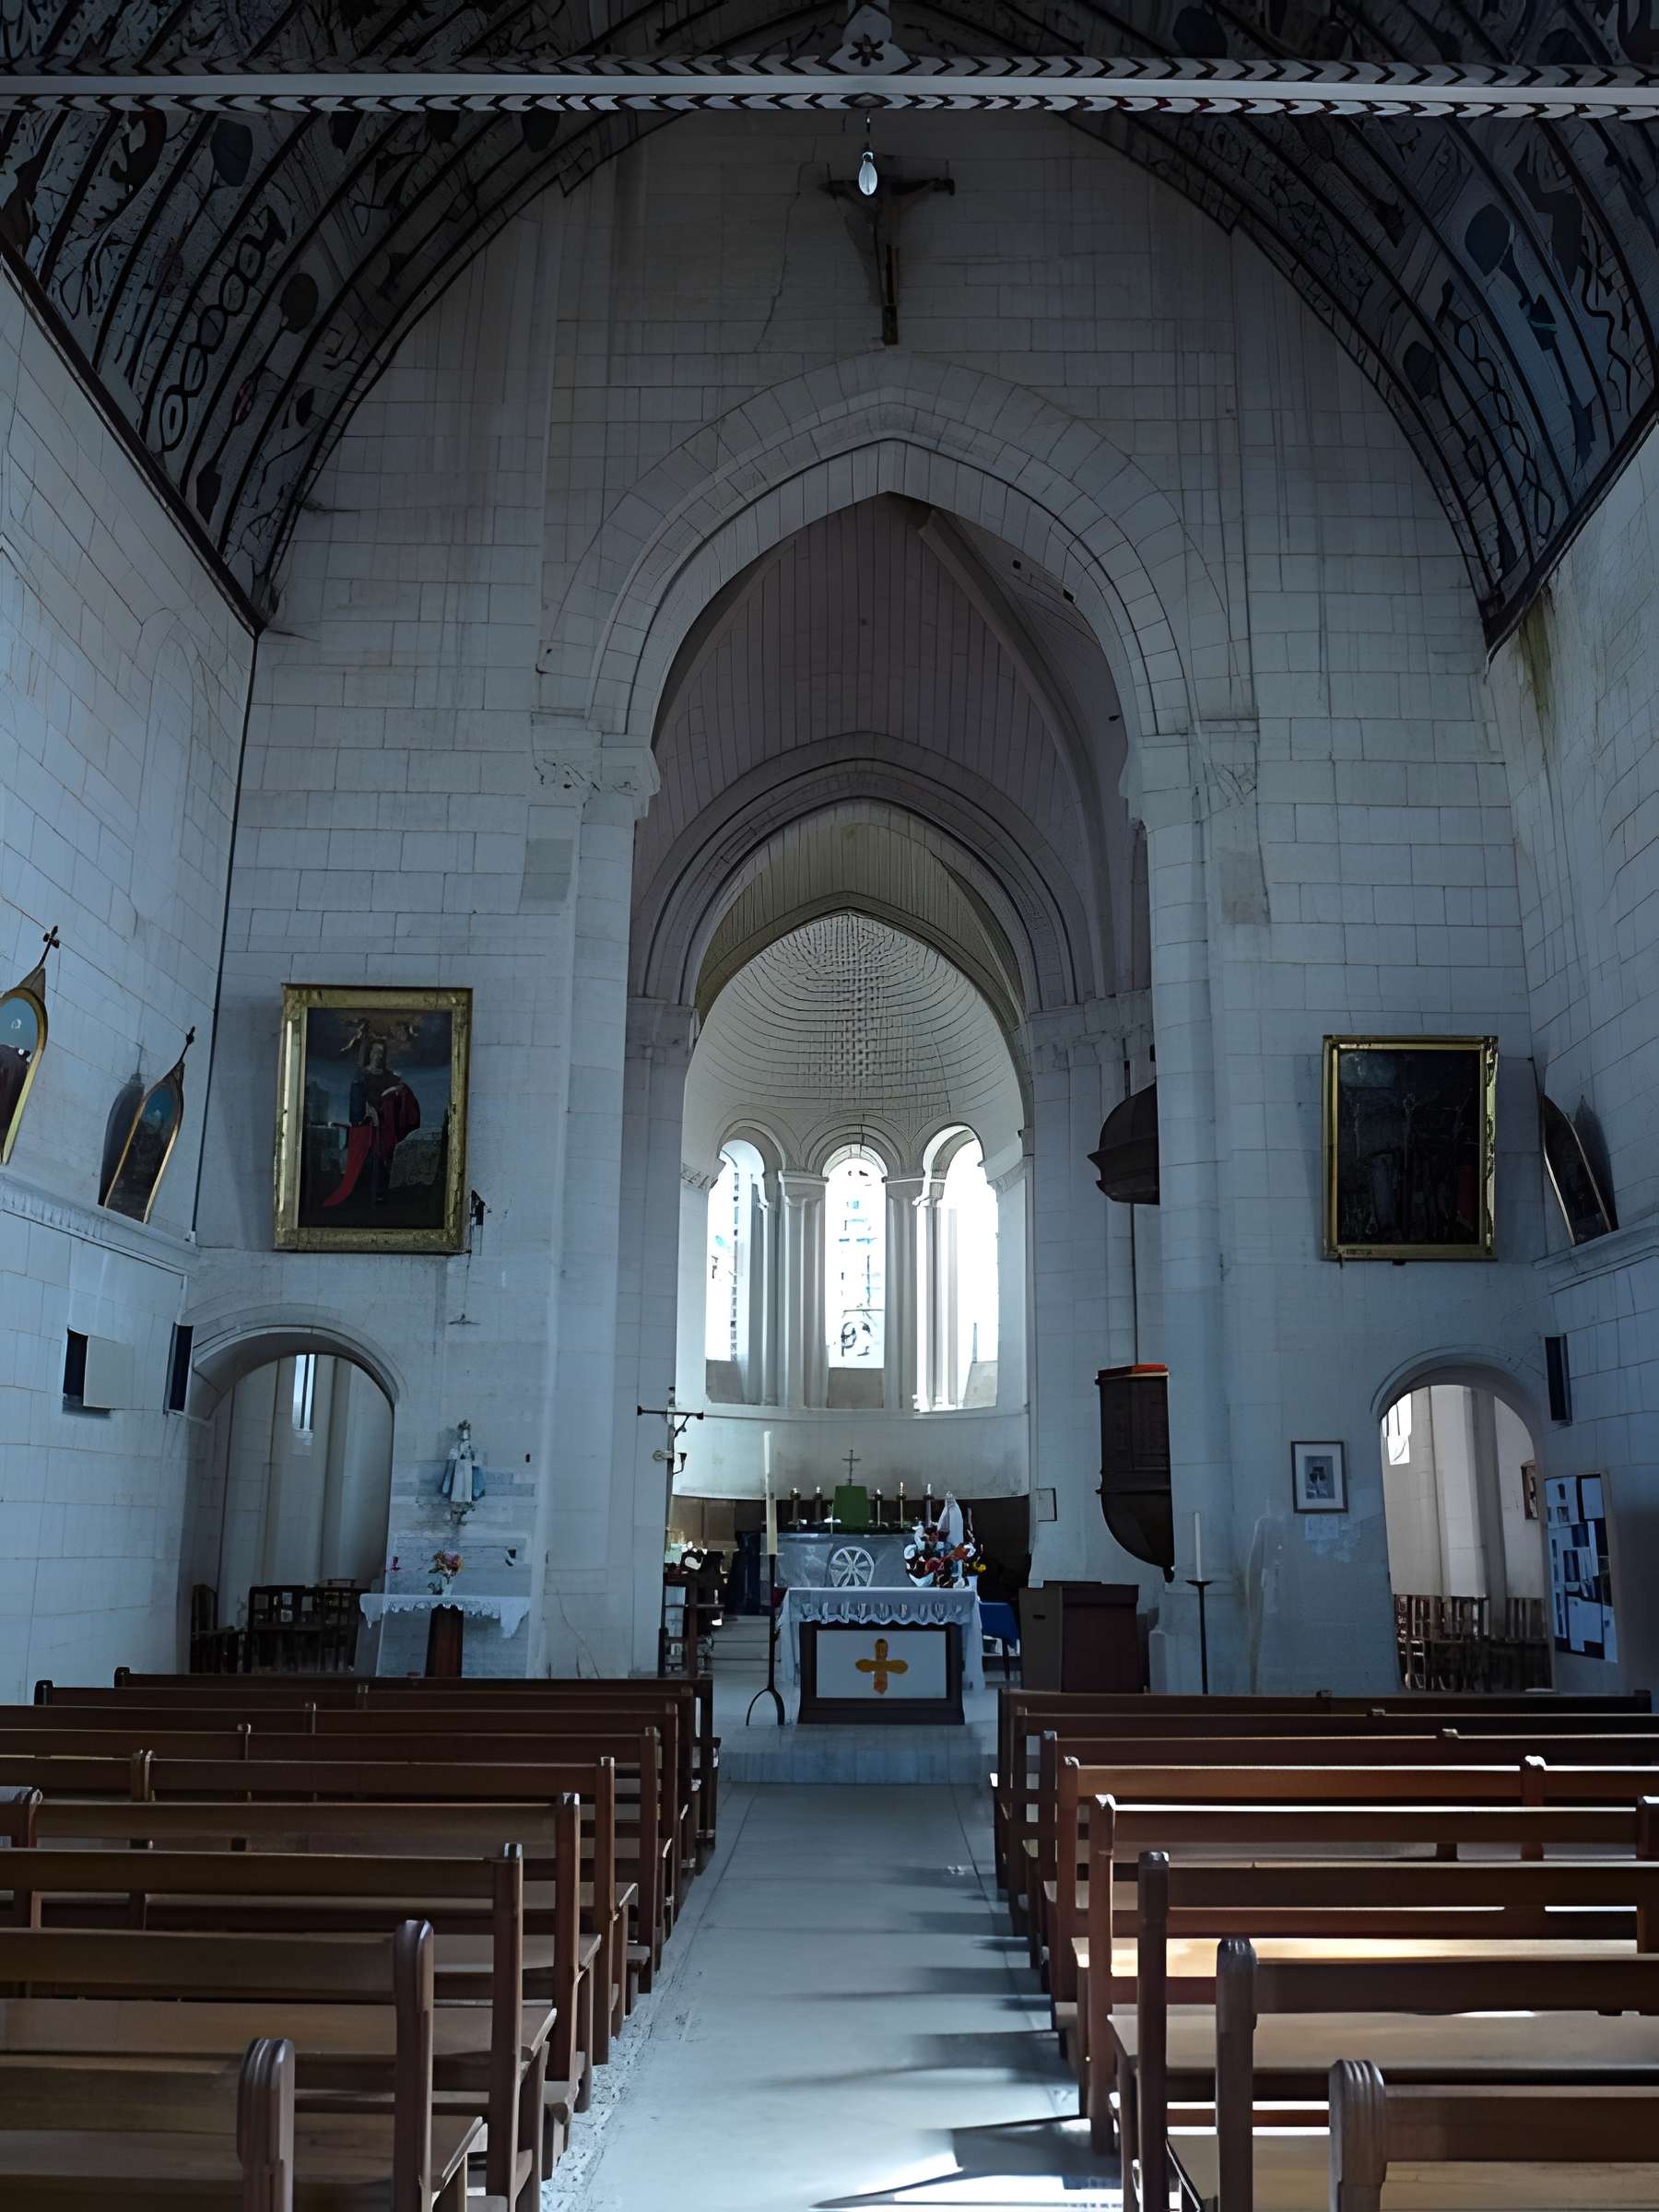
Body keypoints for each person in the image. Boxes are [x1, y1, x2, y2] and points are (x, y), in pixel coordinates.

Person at [324, 1034, 420, 1208]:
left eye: (382, 1052)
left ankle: (380, 1199)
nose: (378, 1055)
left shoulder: (392, 1078)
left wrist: (398, 1094)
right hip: (365, 1129)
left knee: (382, 1167)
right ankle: (359, 1201)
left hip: (384, 1130)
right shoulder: (361, 1077)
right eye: (376, 1051)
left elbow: (400, 1101)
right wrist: (368, 1110)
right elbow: (356, 1105)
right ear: (370, 1053)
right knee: (364, 1166)